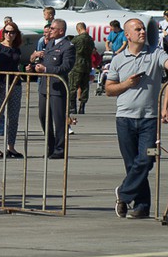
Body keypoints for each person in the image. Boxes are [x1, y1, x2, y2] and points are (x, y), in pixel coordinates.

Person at [107, 19, 168, 219]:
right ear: (127, 35)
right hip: (124, 119)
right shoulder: (118, 59)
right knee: (132, 163)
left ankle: (123, 193)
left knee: (147, 159)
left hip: (149, 120)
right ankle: (141, 206)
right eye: (138, 29)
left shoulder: (156, 54)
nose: (142, 32)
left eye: (143, 29)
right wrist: (126, 84)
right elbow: (109, 89)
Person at [28, 18, 75, 160]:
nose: (50, 31)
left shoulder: (68, 46)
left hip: (57, 88)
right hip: (45, 87)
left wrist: (47, 69)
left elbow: (66, 67)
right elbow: (44, 61)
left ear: (61, 31)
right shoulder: (49, 45)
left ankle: (60, 149)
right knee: (43, 117)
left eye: (53, 28)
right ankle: (50, 146)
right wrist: (35, 67)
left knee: (59, 119)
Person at [0, 21, 24, 158]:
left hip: (15, 84)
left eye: (12, 32)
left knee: (14, 117)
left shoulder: (17, 48)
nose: (9, 34)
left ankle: (11, 146)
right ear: (3, 33)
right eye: (7, 31)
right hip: (0, 84)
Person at [70, 22, 94, 115]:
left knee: (73, 86)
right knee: (85, 86)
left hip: (77, 64)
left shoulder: (76, 39)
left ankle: (72, 107)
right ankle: (82, 107)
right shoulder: (90, 39)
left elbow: (70, 49)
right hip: (87, 65)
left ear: (78, 29)